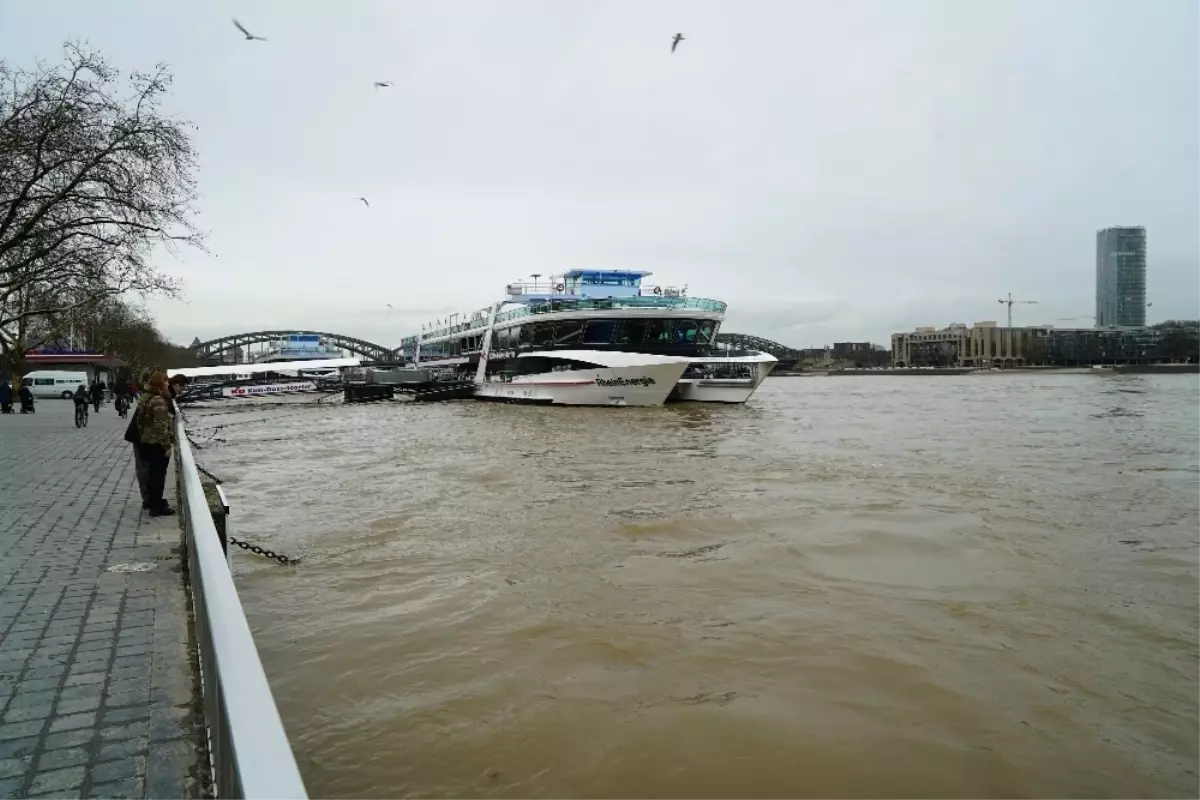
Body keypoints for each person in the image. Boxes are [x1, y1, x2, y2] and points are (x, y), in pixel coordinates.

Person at [137, 372, 175, 517]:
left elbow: (139, 422)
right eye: (166, 382)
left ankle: (153, 502)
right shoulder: (158, 401)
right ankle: (157, 506)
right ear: (160, 383)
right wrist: (166, 446)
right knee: (158, 476)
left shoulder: (144, 398)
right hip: (157, 444)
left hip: (146, 441)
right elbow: (161, 426)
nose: (168, 384)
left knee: (151, 474)